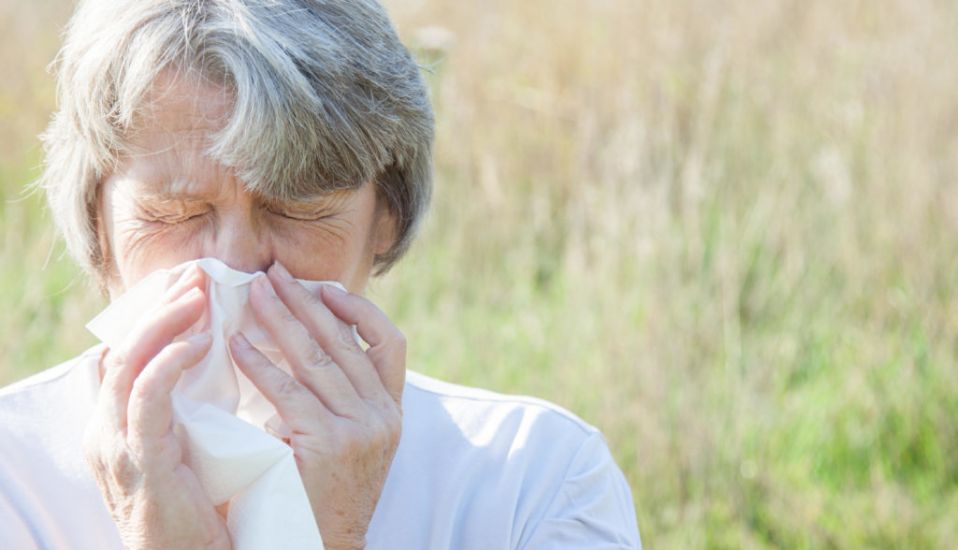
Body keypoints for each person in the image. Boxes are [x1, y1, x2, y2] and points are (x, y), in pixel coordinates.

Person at [0, 0, 641, 548]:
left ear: (384, 219)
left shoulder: (535, 480)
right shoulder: (15, 479)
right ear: (98, 225)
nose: (234, 264)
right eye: (177, 212)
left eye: (295, 209)